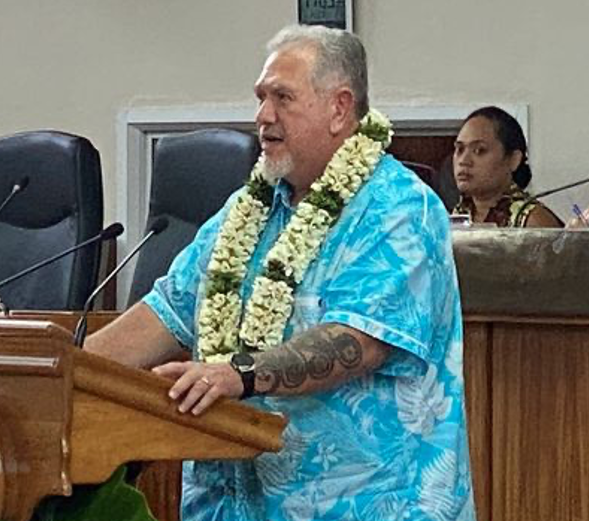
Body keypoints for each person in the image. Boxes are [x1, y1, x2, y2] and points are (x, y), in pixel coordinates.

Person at [86, 25, 475, 520]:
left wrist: (239, 375)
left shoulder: (400, 209)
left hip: (364, 503)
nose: (263, 117)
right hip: (232, 503)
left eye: (282, 98)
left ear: (339, 107)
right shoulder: (246, 212)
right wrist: (63, 373)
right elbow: (167, 311)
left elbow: (359, 342)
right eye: (261, 98)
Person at [452, 106, 563, 227]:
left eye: (479, 150)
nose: (463, 160)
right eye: (459, 149)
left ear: (513, 160)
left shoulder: (532, 221)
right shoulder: (455, 216)